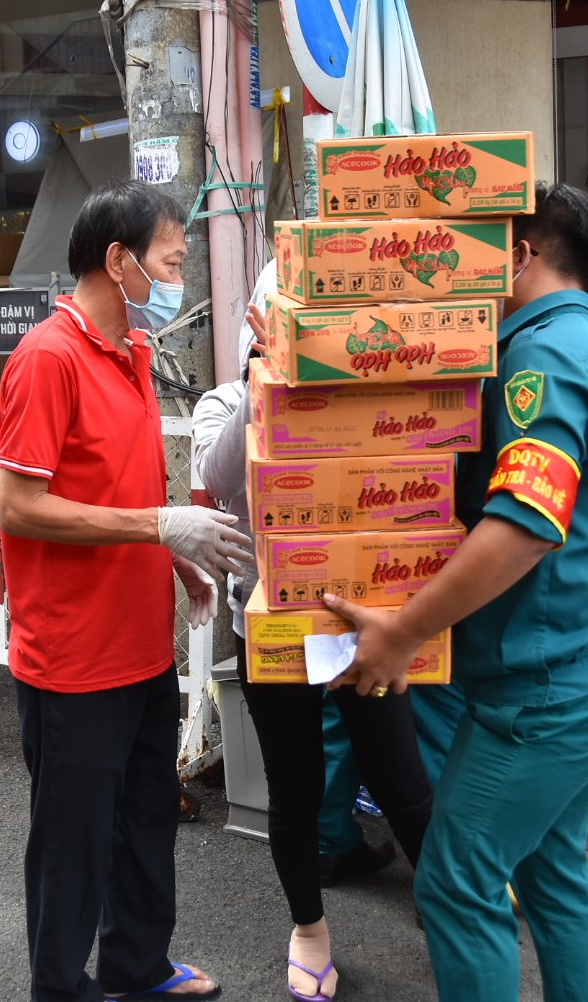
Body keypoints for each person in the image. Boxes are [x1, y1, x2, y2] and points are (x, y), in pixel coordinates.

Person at [323, 182, 588, 1002]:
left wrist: (403, 631)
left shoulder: (541, 356)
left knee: (454, 879)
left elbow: (527, 524)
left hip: (548, 687)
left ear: (519, 254)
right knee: (551, 870)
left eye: (477, 251)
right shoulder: (570, 340)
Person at [0, 179, 252, 1002]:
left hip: (141, 647)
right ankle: (60, 988)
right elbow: (21, 506)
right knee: (73, 844)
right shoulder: (46, 358)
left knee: (146, 823)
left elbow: (118, 493)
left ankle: (138, 967)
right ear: (119, 261)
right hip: (73, 659)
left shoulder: (134, 355)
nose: (177, 277)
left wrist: (172, 556)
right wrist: (157, 529)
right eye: (171, 260)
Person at [192, 264, 434, 1002]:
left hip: (361, 627)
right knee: (294, 791)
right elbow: (220, 473)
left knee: (401, 778)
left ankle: (455, 913)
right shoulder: (226, 400)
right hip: (269, 632)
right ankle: (309, 931)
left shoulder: (353, 398)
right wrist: (269, 378)